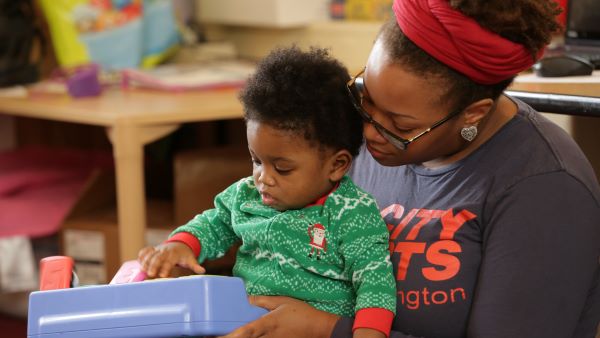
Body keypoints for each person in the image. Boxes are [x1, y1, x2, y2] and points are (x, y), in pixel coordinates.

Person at [219, 1, 600, 338]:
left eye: (399, 126)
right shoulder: (358, 147)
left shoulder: (544, 189)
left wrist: (327, 329)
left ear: (473, 114)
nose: (368, 132)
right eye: (365, 97)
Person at [138, 46, 397, 338]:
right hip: (244, 324)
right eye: (256, 160)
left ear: (336, 165)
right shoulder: (247, 195)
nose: (263, 178)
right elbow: (216, 222)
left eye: (282, 168)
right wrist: (183, 244)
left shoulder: (353, 213)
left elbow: (375, 282)